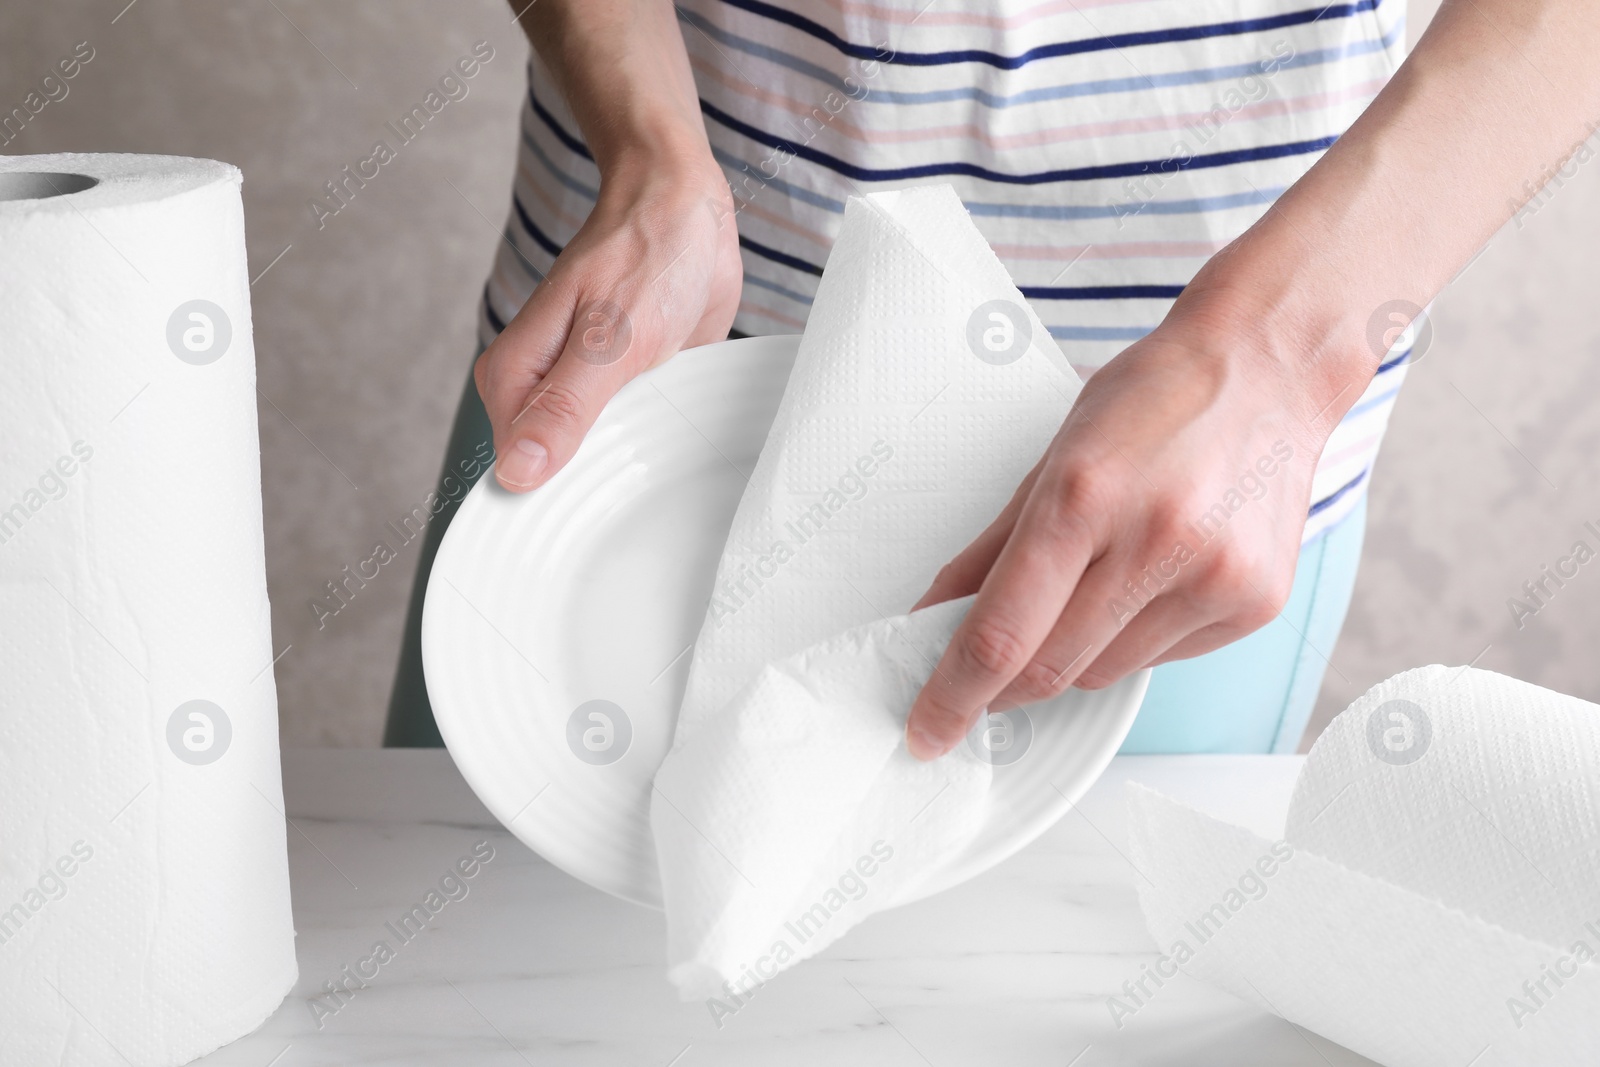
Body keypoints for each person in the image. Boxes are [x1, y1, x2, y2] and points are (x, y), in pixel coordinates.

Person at [385, 0, 1599, 755]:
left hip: (1186, 464)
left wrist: (1283, 353)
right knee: (481, 983)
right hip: (642, 362)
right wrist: (647, 145)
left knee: (1061, 999)